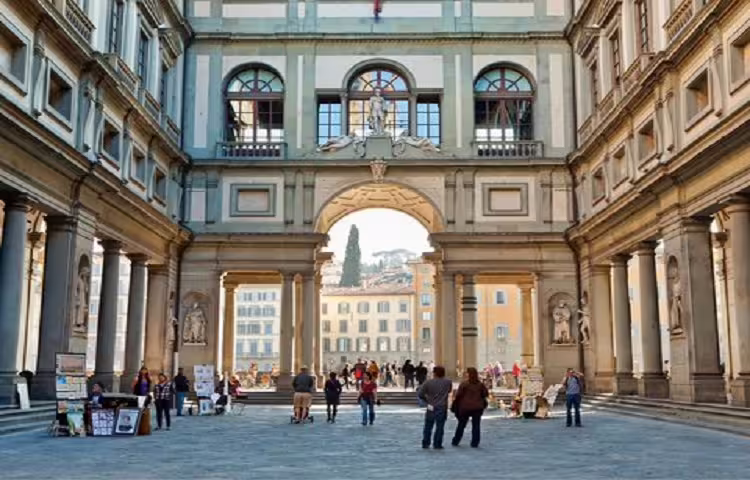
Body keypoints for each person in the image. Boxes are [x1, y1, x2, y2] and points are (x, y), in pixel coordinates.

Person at [451, 367, 489, 448]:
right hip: (477, 407)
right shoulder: (480, 384)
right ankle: (475, 442)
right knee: (476, 425)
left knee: (461, 425)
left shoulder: (464, 384)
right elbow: (485, 394)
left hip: (465, 407)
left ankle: (456, 440)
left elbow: (458, 395)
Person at [418, 365, 453, 449]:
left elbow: (420, 394)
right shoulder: (448, 382)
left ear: (434, 373)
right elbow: (449, 391)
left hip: (431, 405)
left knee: (428, 425)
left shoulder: (428, 382)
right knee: (440, 426)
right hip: (442, 406)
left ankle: (426, 443)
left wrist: (427, 400)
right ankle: (437, 444)